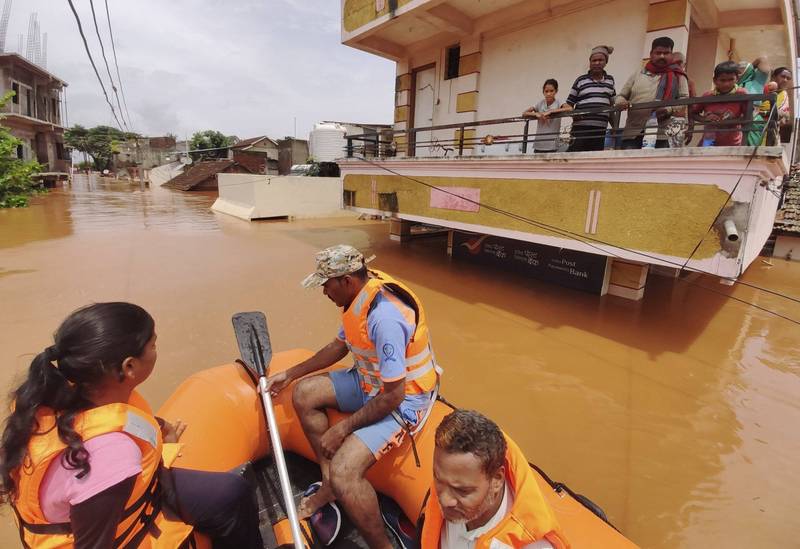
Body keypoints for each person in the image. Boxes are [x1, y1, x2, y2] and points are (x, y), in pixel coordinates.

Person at [0, 302, 263, 549]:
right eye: (153, 345)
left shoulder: (49, 398)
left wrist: (160, 438)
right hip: (113, 523)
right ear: (129, 367)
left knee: (232, 492)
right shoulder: (109, 455)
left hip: (132, 494)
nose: (156, 350)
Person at [266, 245, 442, 549]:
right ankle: (329, 484)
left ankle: (380, 544)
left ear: (347, 281)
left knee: (346, 470)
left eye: (326, 284)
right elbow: (339, 346)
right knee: (305, 393)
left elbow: (394, 396)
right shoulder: (358, 297)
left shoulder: (384, 318)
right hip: (368, 382)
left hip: (404, 399)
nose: (323, 292)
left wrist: (343, 429)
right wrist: (291, 373)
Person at [420, 410, 569, 549]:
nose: (445, 501)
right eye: (438, 479)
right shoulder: (452, 479)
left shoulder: (534, 546)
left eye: (462, 490)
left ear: (497, 480)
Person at [615, 36, 689, 149]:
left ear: (671, 55)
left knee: (658, 165)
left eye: (666, 53)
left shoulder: (678, 76)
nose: (662, 56)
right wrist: (621, 102)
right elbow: (621, 96)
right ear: (651, 54)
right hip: (633, 131)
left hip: (663, 133)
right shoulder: (637, 74)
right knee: (629, 165)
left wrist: (669, 109)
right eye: (658, 53)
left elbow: (684, 99)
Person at [564, 45, 617, 152]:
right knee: (575, 158)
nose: (597, 63)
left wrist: (615, 127)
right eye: (594, 60)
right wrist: (573, 114)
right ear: (590, 62)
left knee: (593, 161)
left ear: (606, 62)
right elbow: (568, 104)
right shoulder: (580, 80)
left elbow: (611, 106)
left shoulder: (610, 81)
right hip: (580, 129)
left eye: (600, 60)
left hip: (600, 129)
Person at [692, 61, 750, 147]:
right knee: (703, 158)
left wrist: (727, 122)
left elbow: (748, 117)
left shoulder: (742, 94)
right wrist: (705, 119)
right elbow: (693, 113)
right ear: (714, 80)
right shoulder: (708, 96)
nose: (726, 84)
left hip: (732, 143)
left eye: (731, 79)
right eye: (722, 80)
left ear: (737, 79)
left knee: (729, 160)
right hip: (708, 142)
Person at [522, 79, 571, 153]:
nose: (549, 94)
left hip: (552, 144)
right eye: (546, 91)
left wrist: (551, 111)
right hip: (539, 144)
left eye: (551, 91)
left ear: (556, 91)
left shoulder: (559, 102)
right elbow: (524, 113)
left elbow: (570, 108)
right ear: (543, 92)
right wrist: (536, 114)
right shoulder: (540, 103)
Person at [760, 66, 793, 144]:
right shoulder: (763, 89)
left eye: (788, 78)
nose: (785, 80)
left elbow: (785, 118)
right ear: (774, 77)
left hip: (772, 132)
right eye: (783, 76)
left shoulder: (784, 95)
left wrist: (782, 114)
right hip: (756, 129)